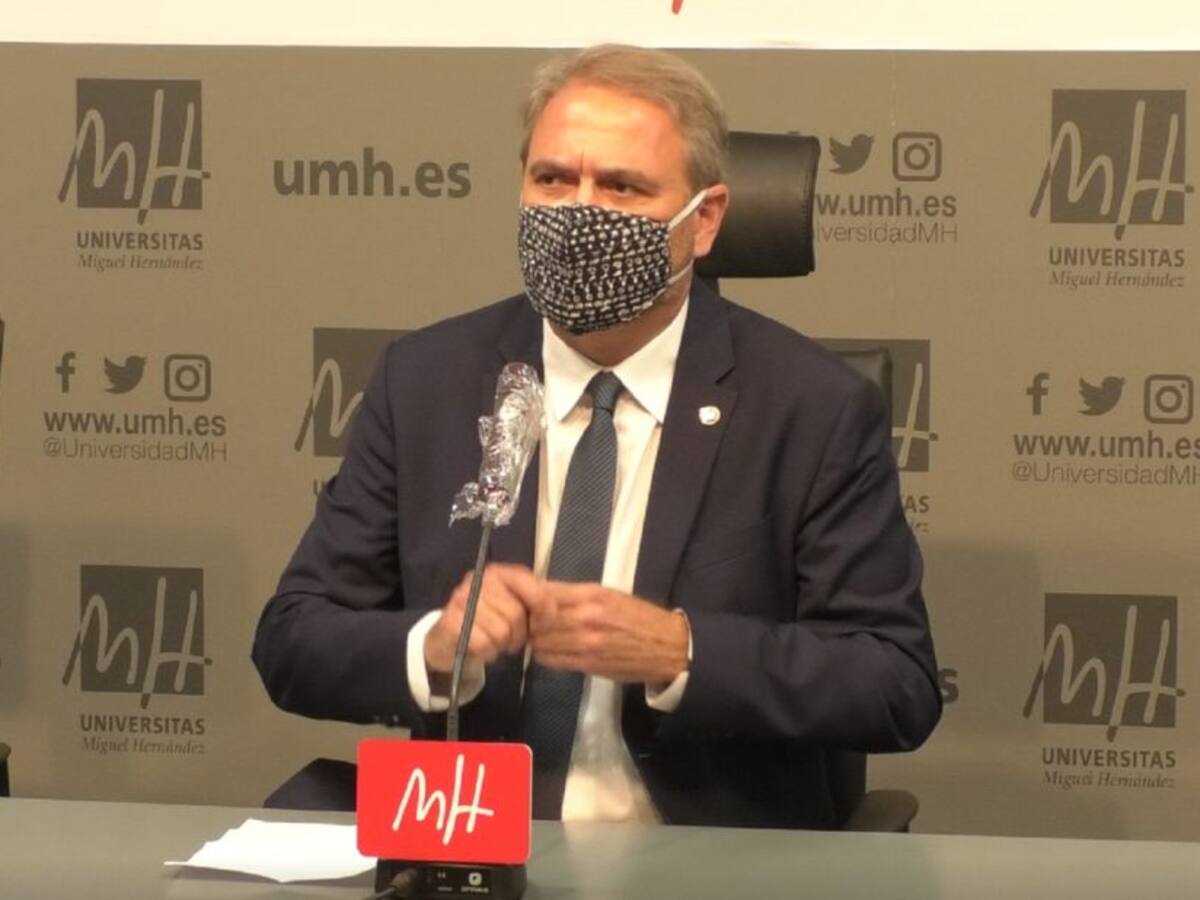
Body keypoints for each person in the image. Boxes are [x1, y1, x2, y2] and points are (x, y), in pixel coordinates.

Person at [252, 44, 940, 829]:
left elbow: (895, 682)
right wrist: (434, 649)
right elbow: (293, 638)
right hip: (472, 845)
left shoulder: (811, 408)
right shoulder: (426, 380)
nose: (579, 215)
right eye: (552, 179)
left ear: (705, 219)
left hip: (695, 854)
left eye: (622, 187)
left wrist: (681, 652)